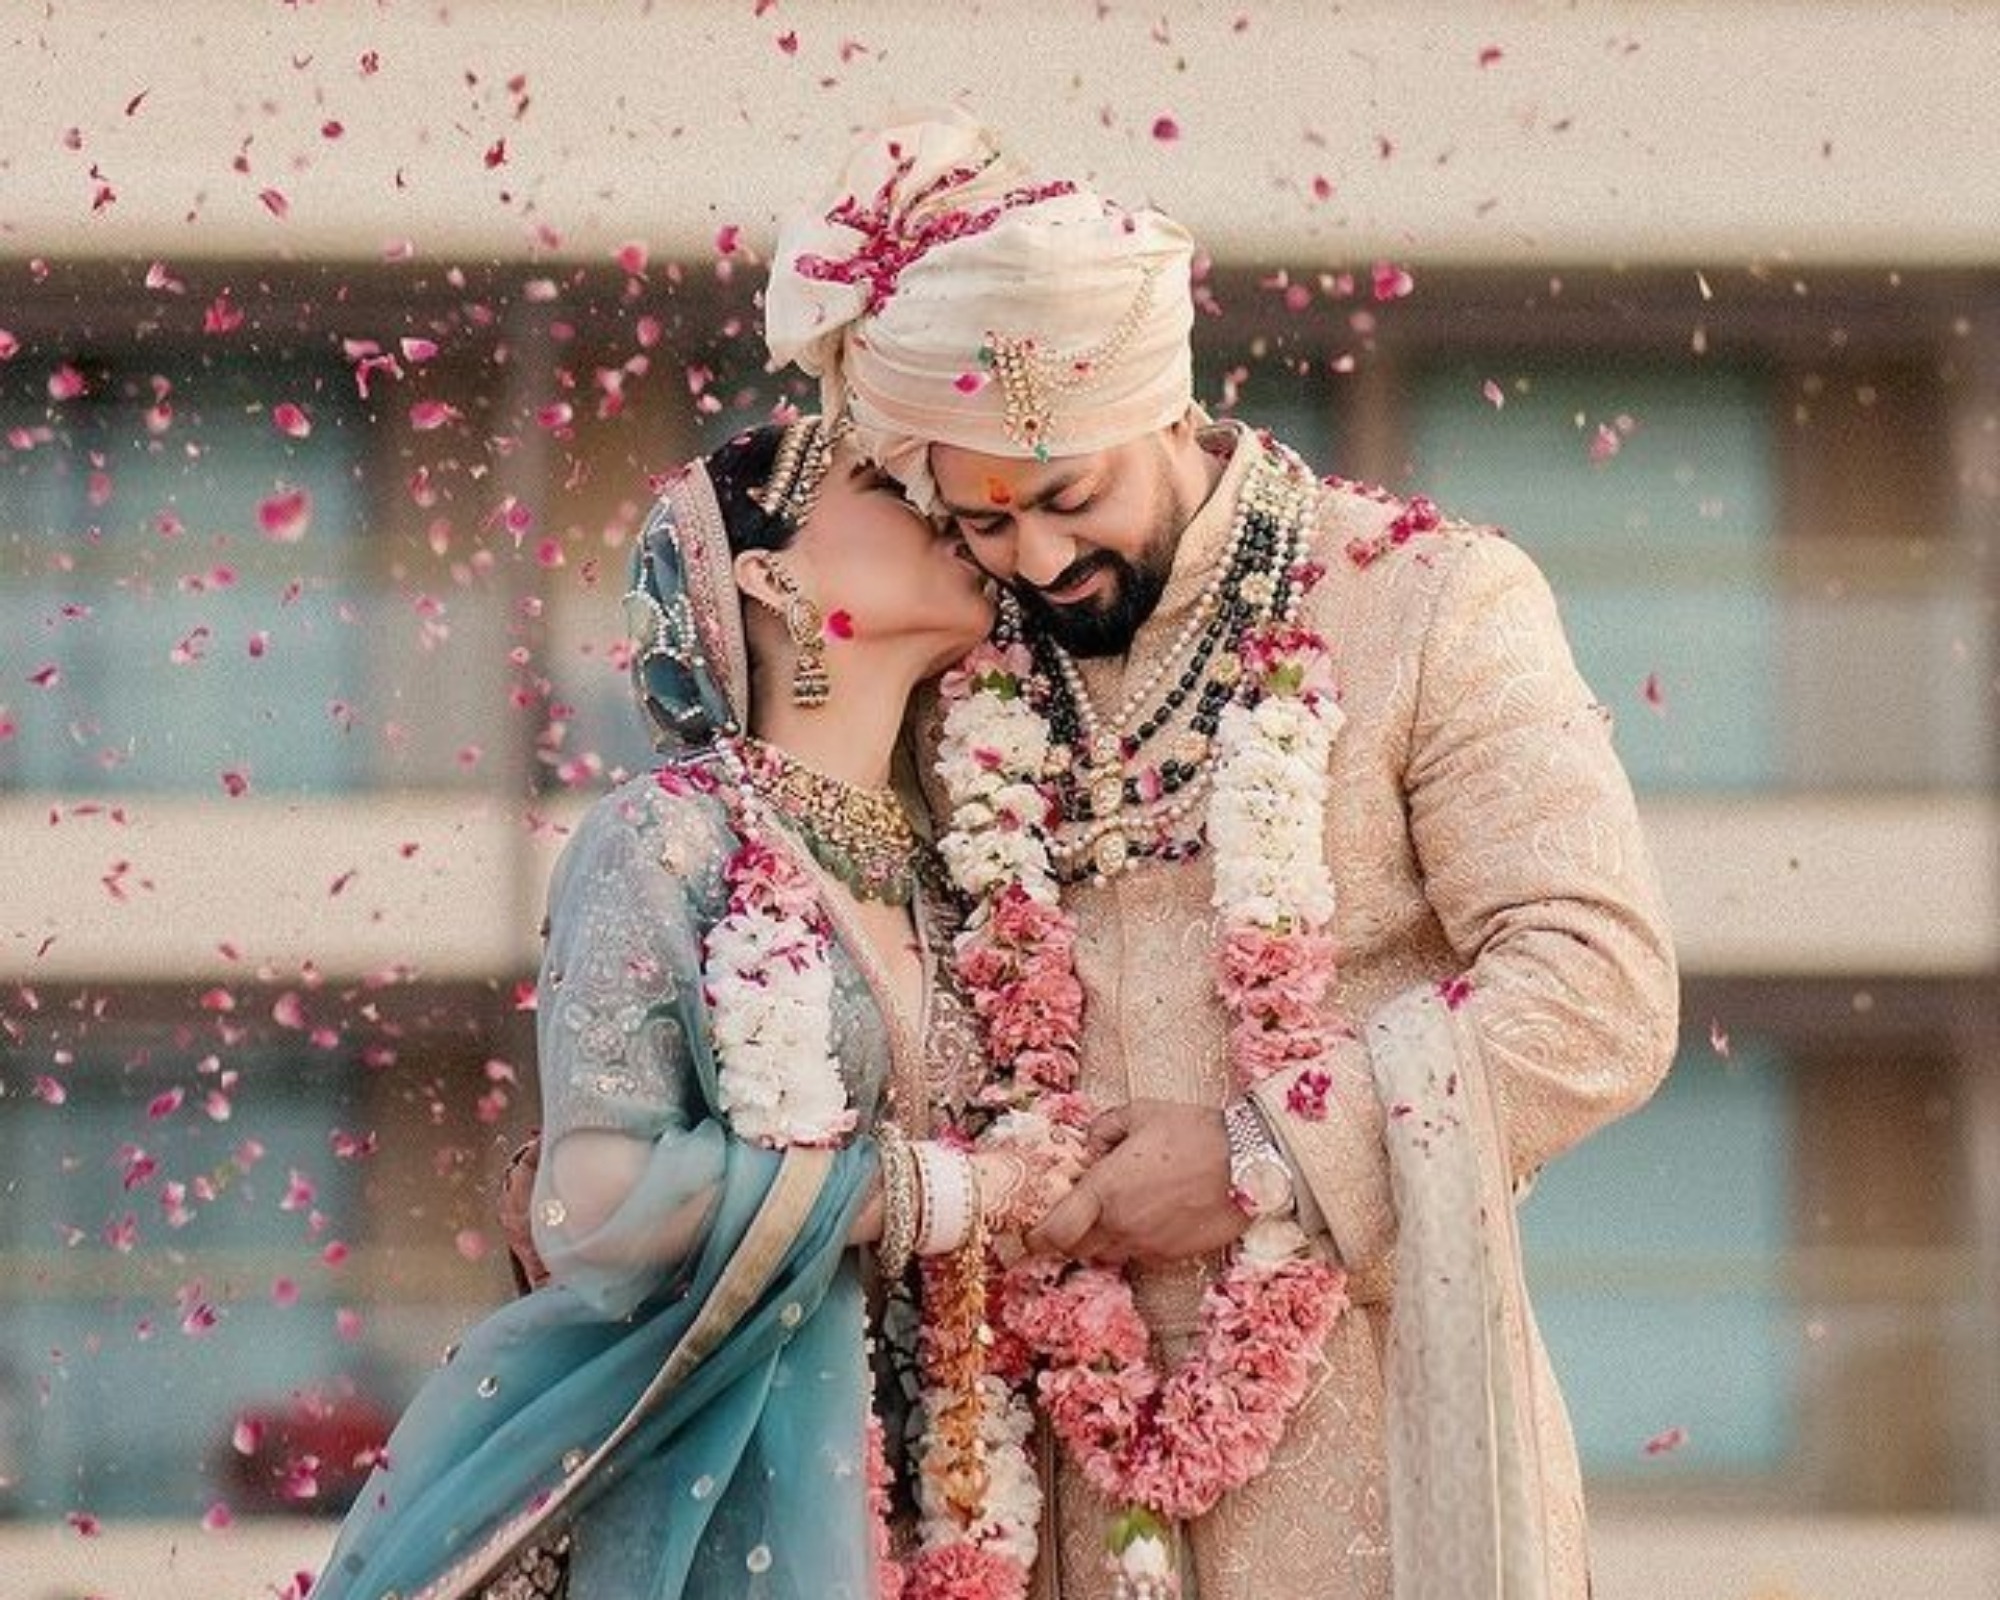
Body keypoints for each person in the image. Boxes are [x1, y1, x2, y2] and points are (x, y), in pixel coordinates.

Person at [766, 109, 1681, 1599]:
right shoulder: (952, 665)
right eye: (985, 520)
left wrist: (1263, 1161)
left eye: (1070, 499)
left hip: (1371, 1427)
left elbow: (1598, 991)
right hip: (1034, 1454)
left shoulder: (1428, 599)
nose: (1040, 563)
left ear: (1175, 413)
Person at [312, 418, 1082, 1600]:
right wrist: (926, 1192)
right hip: (727, 1495)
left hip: (964, 1490)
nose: (941, 508)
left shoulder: (962, 875)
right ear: (774, 578)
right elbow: (593, 1196)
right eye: (881, 484)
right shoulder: (666, 841)